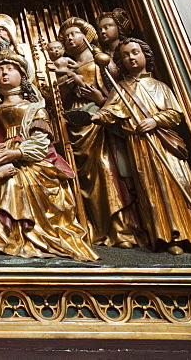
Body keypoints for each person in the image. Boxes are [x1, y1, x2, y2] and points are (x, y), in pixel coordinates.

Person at [90, 38, 191, 256]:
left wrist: (155, 121)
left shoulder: (160, 86)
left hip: (163, 142)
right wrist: (94, 116)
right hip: (141, 146)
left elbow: (175, 114)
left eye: (135, 52)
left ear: (145, 55)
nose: (130, 58)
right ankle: (170, 238)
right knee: (154, 190)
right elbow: (111, 112)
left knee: (183, 185)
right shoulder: (122, 89)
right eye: (124, 55)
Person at [0, 55, 97, 261]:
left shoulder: (34, 108)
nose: (4, 73)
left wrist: (17, 153)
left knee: (14, 181)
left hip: (33, 161)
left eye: (11, 69)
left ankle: (18, 238)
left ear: (23, 76)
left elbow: (41, 141)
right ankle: (1, 237)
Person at [59, 17, 141, 249]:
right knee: (86, 178)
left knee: (108, 171)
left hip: (100, 123)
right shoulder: (66, 69)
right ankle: (96, 228)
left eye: (74, 33)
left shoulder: (101, 64)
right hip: (76, 124)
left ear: (88, 36)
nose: (70, 38)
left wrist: (100, 100)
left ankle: (122, 228)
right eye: (66, 37)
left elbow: (119, 100)